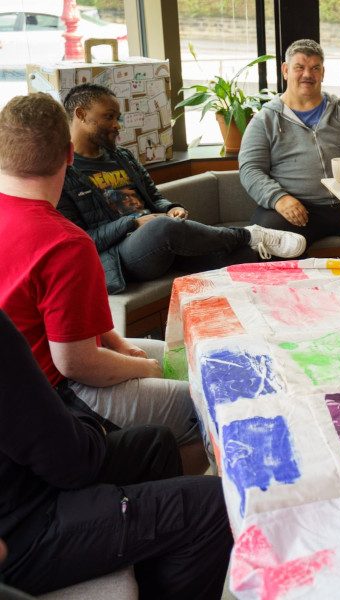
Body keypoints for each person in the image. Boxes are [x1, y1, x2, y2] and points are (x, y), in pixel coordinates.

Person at [0, 93, 208, 475]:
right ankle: (176, 501)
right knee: (208, 402)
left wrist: (120, 346)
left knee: (182, 355)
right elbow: (76, 363)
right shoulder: (65, 243)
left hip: (33, 382)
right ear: (68, 156)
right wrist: (142, 370)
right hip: (60, 393)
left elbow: (75, 328)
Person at [0, 310, 232, 598]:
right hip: (23, 529)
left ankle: (149, 565)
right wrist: (89, 422)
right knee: (217, 503)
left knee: (156, 444)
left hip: (26, 477)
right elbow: (73, 461)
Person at [58, 83, 306, 295]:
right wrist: (134, 223)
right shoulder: (62, 173)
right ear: (80, 114)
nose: (117, 125)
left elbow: (154, 198)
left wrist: (172, 208)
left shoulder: (122, 156)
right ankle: (249, 234)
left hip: (164, 238)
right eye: (108, 117)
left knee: (244, 257)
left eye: (117, 118)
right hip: (122, 257)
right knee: (163, 227)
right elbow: (83, 241)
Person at [240, 39, 340, 256]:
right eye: (299, 67)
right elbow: (250, 169)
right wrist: (279, 199)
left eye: (315, 68)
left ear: (323, 73)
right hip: (298, 210)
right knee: (267, 232)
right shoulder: (265, 119)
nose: (307, 74)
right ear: (286, 71)